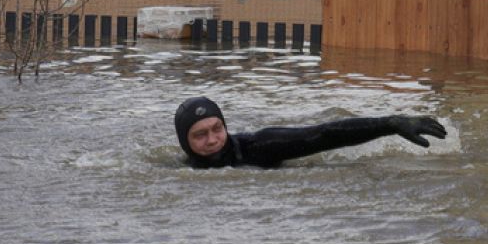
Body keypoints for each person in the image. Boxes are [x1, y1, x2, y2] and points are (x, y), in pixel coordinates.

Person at [174, 96, 447, 169]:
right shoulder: (179, 172)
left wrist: (391, 123)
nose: (212, 140)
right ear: (184, 143)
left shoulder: (258, 147)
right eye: (200, 135)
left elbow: (323, 135)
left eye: (217, 129)